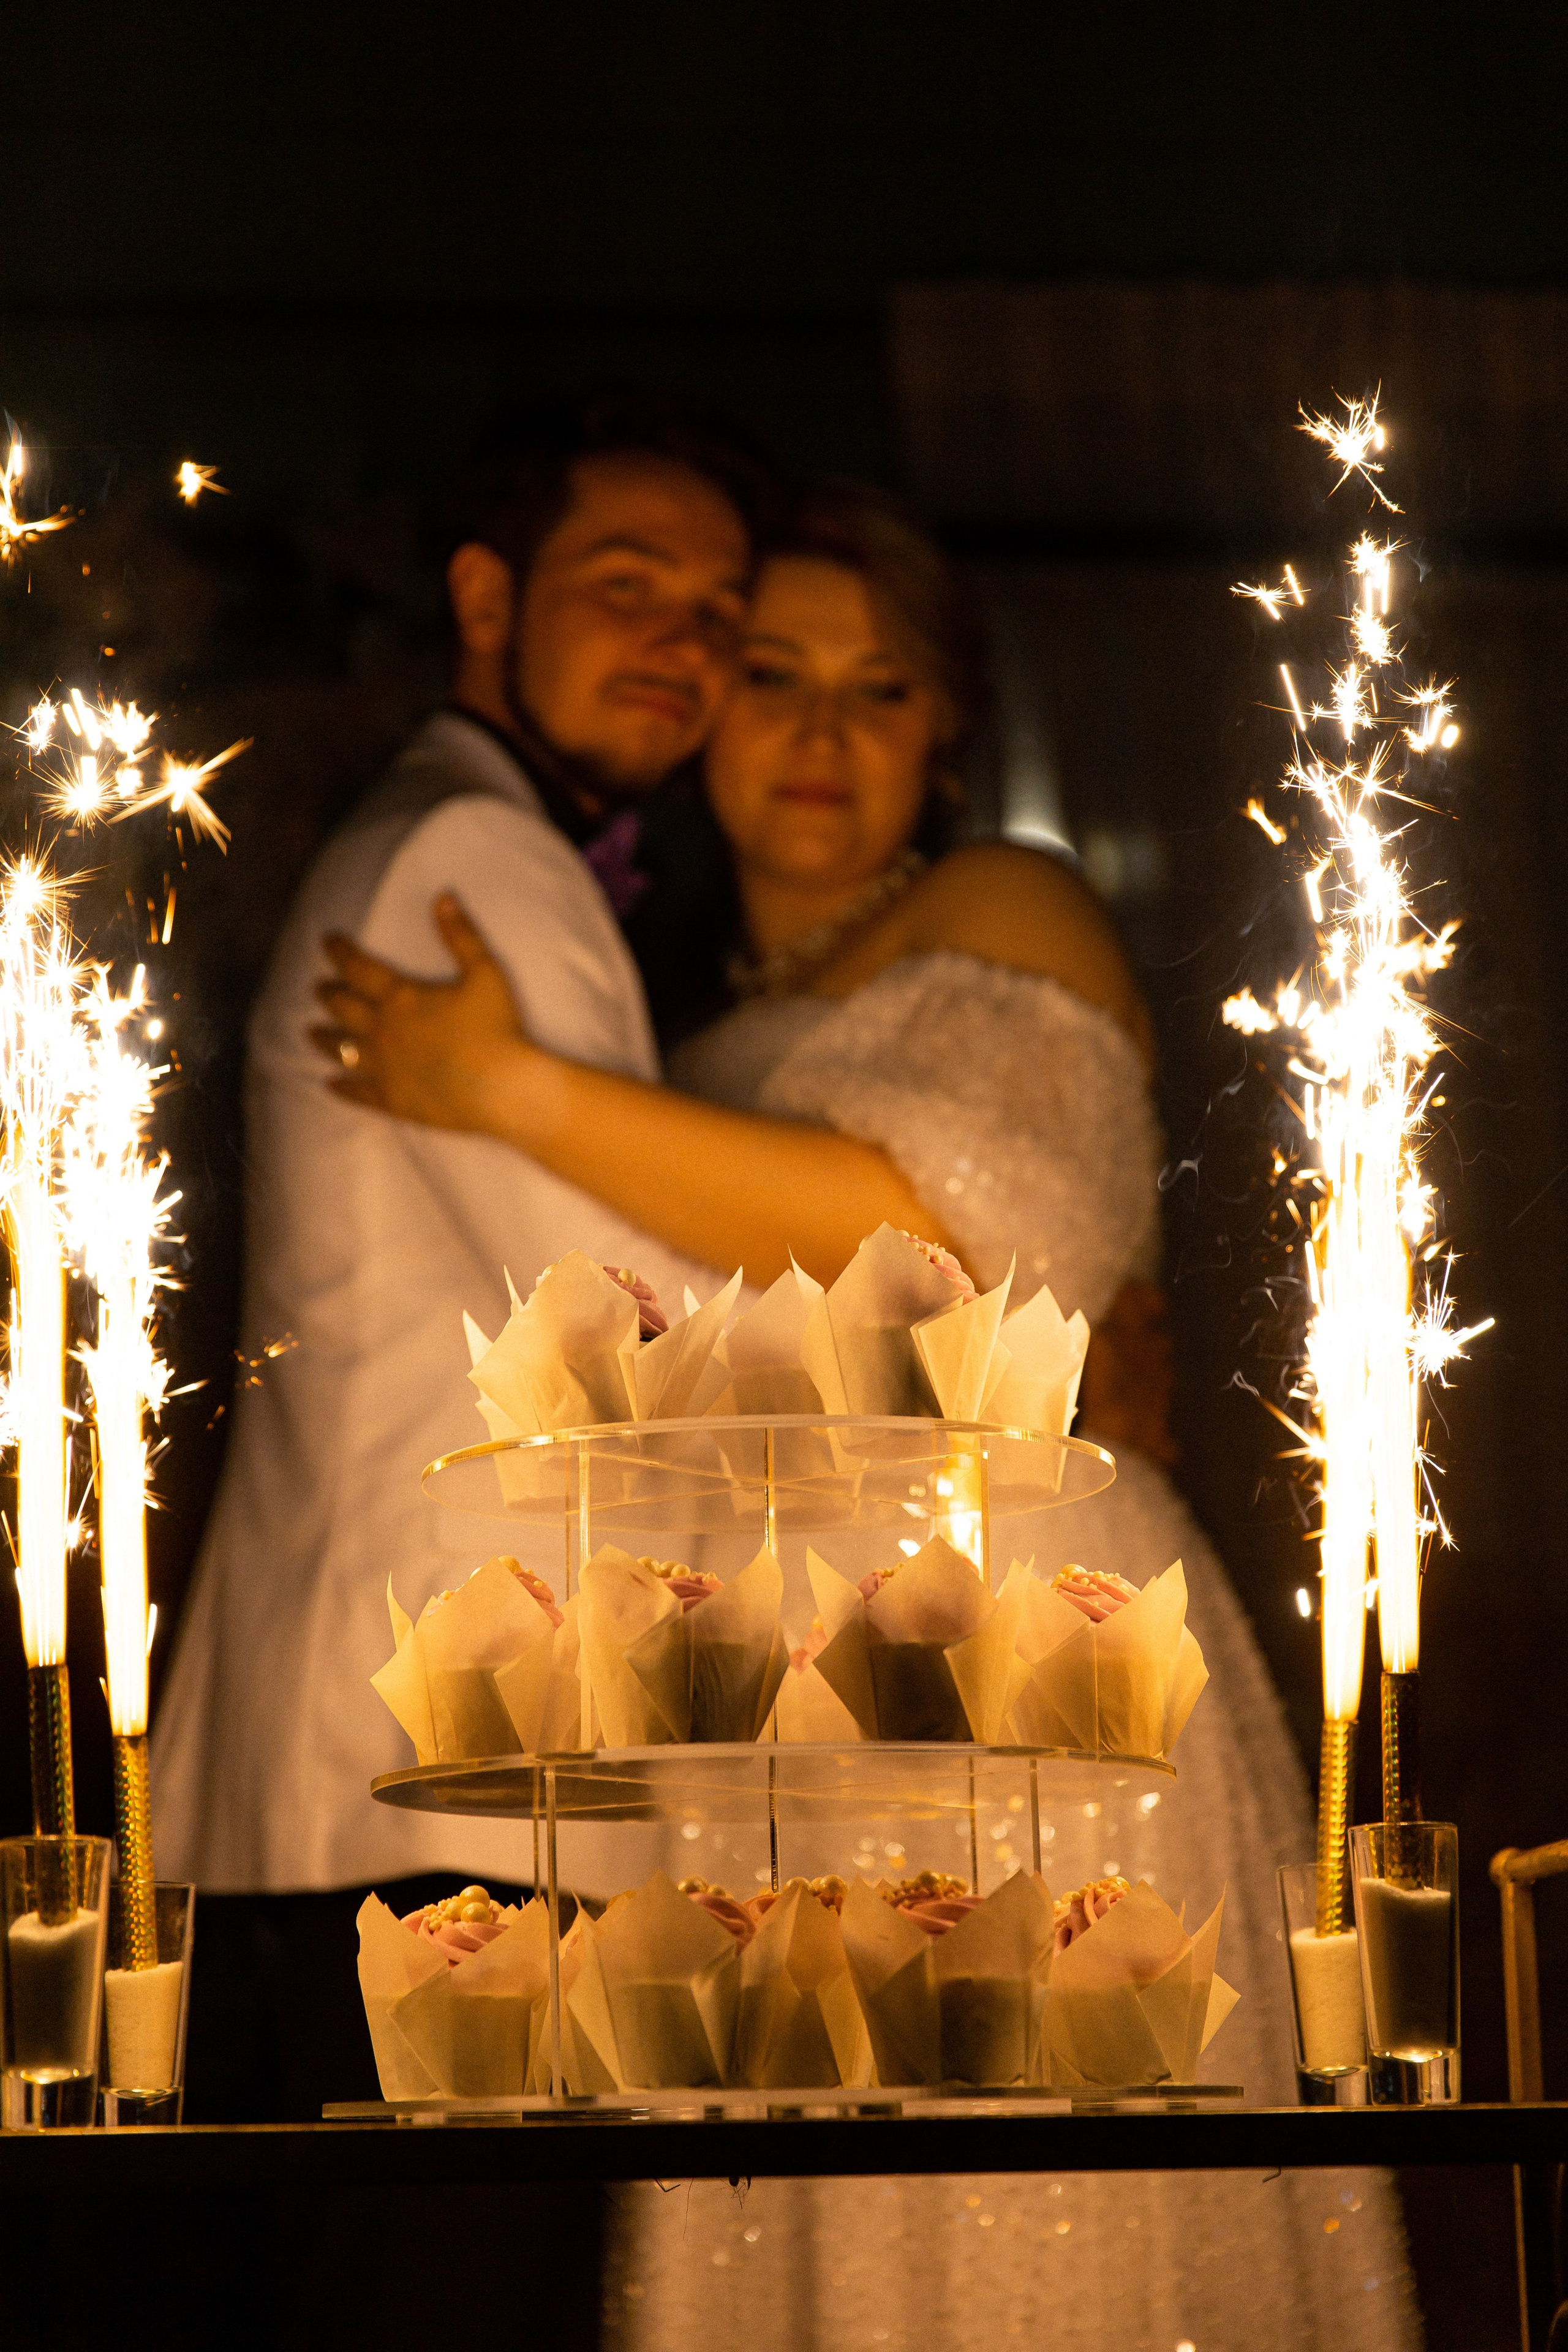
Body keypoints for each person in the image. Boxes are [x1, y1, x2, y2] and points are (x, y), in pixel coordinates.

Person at [311, 481, 1420, 2350]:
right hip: (766, 1699)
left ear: (946, 734)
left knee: (1032, 2203)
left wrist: (500, 1085)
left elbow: (960, 1244)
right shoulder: (673, 1021)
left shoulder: (1009, 900)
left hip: (1007, 1654)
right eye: (774, 675)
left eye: (881, 688)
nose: (823, 732)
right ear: (705, 709)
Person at [149, 394, 780, 2117]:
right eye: (630, 585)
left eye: (719, 613)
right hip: (426, 1785)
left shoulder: (459, 829)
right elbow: (632, 1338)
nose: (685, 645)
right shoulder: (469, 857)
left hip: (399, 1778)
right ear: (489, 599)